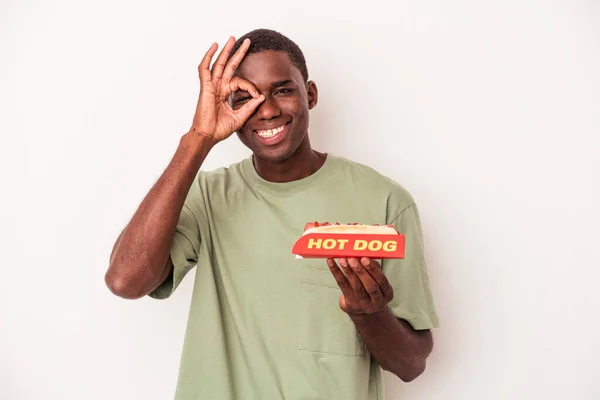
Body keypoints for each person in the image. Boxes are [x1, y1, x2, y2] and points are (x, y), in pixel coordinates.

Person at [105, 28, 439, 400]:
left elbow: (411, 365)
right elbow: (125, 281)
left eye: (282, 90)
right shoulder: (206, 196)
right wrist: (199, 138)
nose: (266, 110)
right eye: (244, 96)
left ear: (309, 95)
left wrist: (368, 314)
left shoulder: (386, 201)